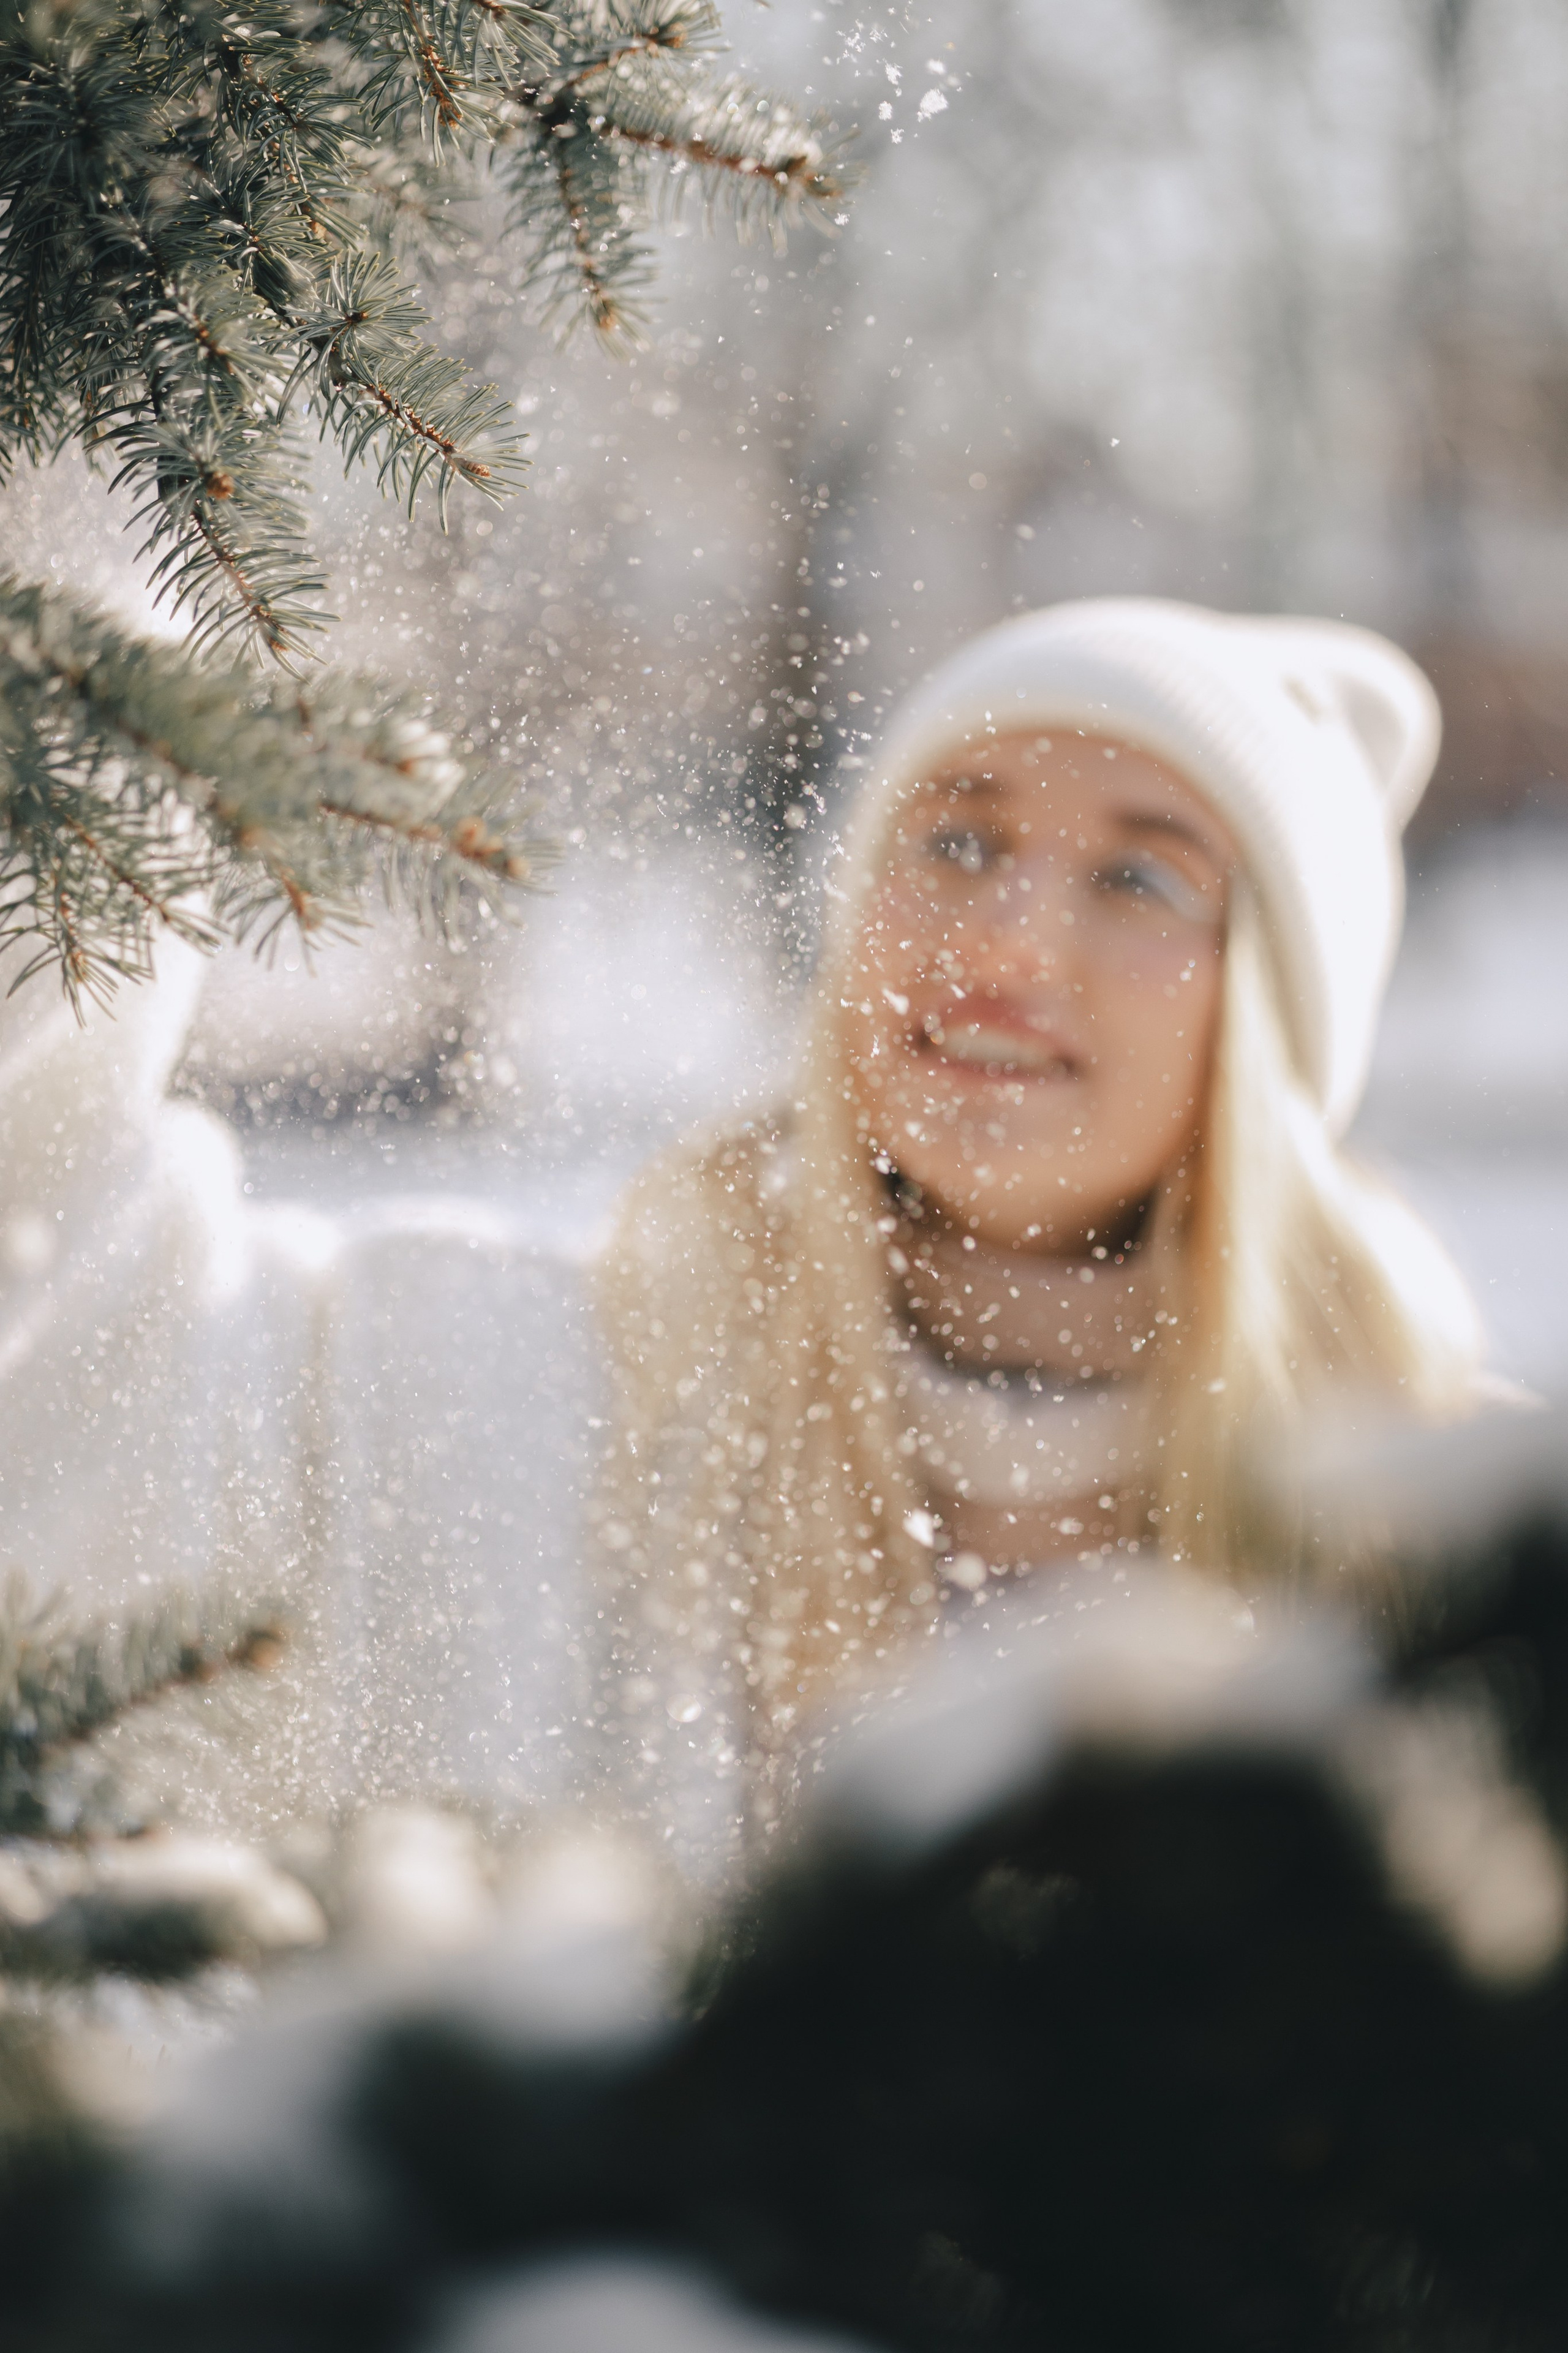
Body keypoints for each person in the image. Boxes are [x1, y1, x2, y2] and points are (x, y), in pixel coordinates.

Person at [590, 597, 1485, 1882]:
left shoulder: (1452, 1545)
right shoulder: (595, 1385)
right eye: (955, 837)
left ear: (1266, 1019)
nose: (1005, 937)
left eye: (1139, 877)